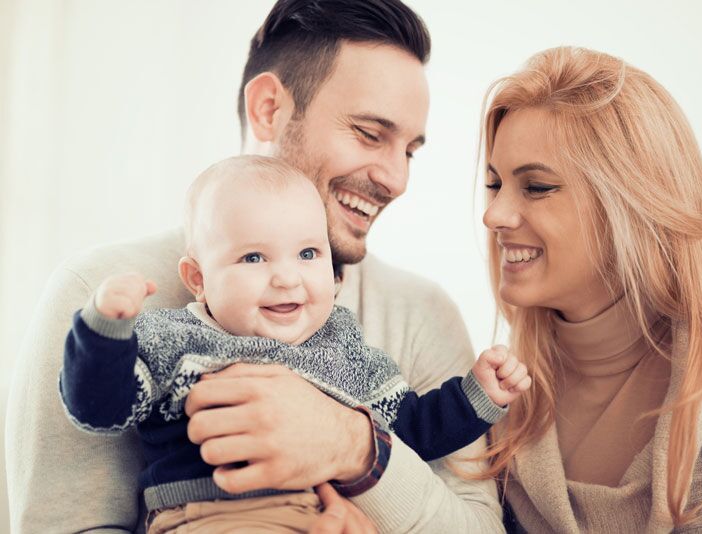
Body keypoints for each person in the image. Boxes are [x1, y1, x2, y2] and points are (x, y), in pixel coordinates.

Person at [6, 1, 506, 532]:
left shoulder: (422, 316)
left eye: (410, 150)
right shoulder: (100, 300)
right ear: (268, 108)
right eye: (368, 133)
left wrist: (355, 446)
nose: (396, 179)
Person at [58, 155, 530, 532]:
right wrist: (104, 333)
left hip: (316, 519)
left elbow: (409, 430)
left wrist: (477, 396)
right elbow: (100, 409)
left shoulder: (342, 348)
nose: (287, 278)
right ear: (198, 280)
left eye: (307, 253)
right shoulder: (174, 338)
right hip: (208, 517)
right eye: (253, 257)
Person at [474, 46, 702, 532]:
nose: (494, 215)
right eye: (495, 184)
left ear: (630, 202)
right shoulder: (501, 398)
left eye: (537, 187)